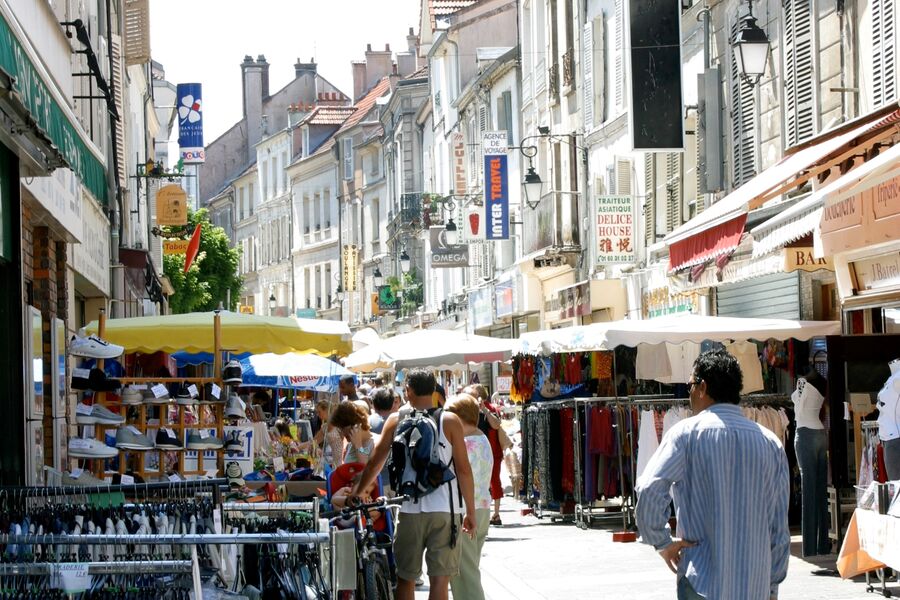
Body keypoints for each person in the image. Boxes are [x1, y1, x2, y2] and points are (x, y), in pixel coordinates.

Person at [634, 349, 790, 600]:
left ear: (702, 387)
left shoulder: (685, 435)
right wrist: (772, 585)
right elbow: (778, 527)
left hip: (701, 581)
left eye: (690, 385)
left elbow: (650, 488)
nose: (689, 393)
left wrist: (662, 542)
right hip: (755, 584)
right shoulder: (770, 443)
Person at [348, 368, 476, 600]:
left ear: (408, 391)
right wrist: (471, 512)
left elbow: (375, 463)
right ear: (435, 390)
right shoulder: (450, 420)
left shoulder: (396, 420)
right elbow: (464, 470)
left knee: (405, 578)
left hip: (409, 508)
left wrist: (357, 492)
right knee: (440, 580)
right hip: (445, 509)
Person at [444, 394, 493, 600]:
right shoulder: (482, 438)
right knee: (469, 567)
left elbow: (461, 477)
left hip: (467, 509)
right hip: (481, 507)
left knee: (465, 573)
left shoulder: (465, 443)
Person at [465, 384, 504, 525]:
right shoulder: (460, 413)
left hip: (485, 455)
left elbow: (496, 425)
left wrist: (484, 409)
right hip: (467, 454)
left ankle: (488, 515)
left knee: (487, 484)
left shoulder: (484, 411)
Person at [314, 399, 344, 472]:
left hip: (342, 459)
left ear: (326, 410)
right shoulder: (325, 427)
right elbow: (314, 442)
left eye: (319, 412)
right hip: (335, 460)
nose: (318, 415)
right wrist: (298, 447)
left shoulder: (339, 423)